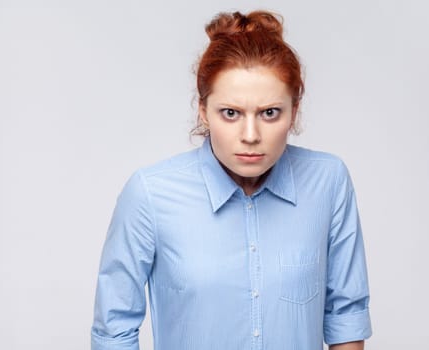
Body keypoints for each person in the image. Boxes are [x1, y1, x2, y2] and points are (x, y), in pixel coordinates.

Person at [91, 10, 372, 350]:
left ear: (294, 111)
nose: (250, 135)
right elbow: (113, 331)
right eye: (231, 113)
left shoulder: (328, 182)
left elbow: (345, 316)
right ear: (202, 110)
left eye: (269, 112)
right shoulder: (150, 194)